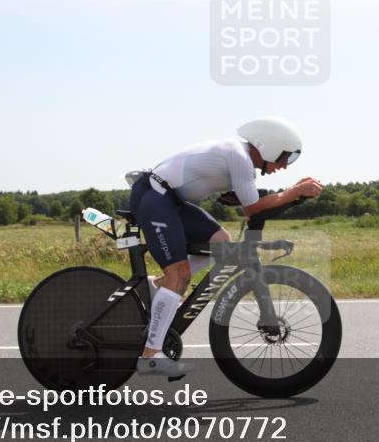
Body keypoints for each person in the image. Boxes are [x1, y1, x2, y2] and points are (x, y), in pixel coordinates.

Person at [129, 116, 323, 378]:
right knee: (181, 273)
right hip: (154, 197)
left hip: (169, 200)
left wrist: (292, 191)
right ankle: (150, 355)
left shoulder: (241, 159)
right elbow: (252, 208)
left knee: (222, 245)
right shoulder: (240, 157)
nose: (282, 166)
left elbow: (251, 205)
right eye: (283, 158)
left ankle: (159, 287)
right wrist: (293, 191)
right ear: (269, 145)